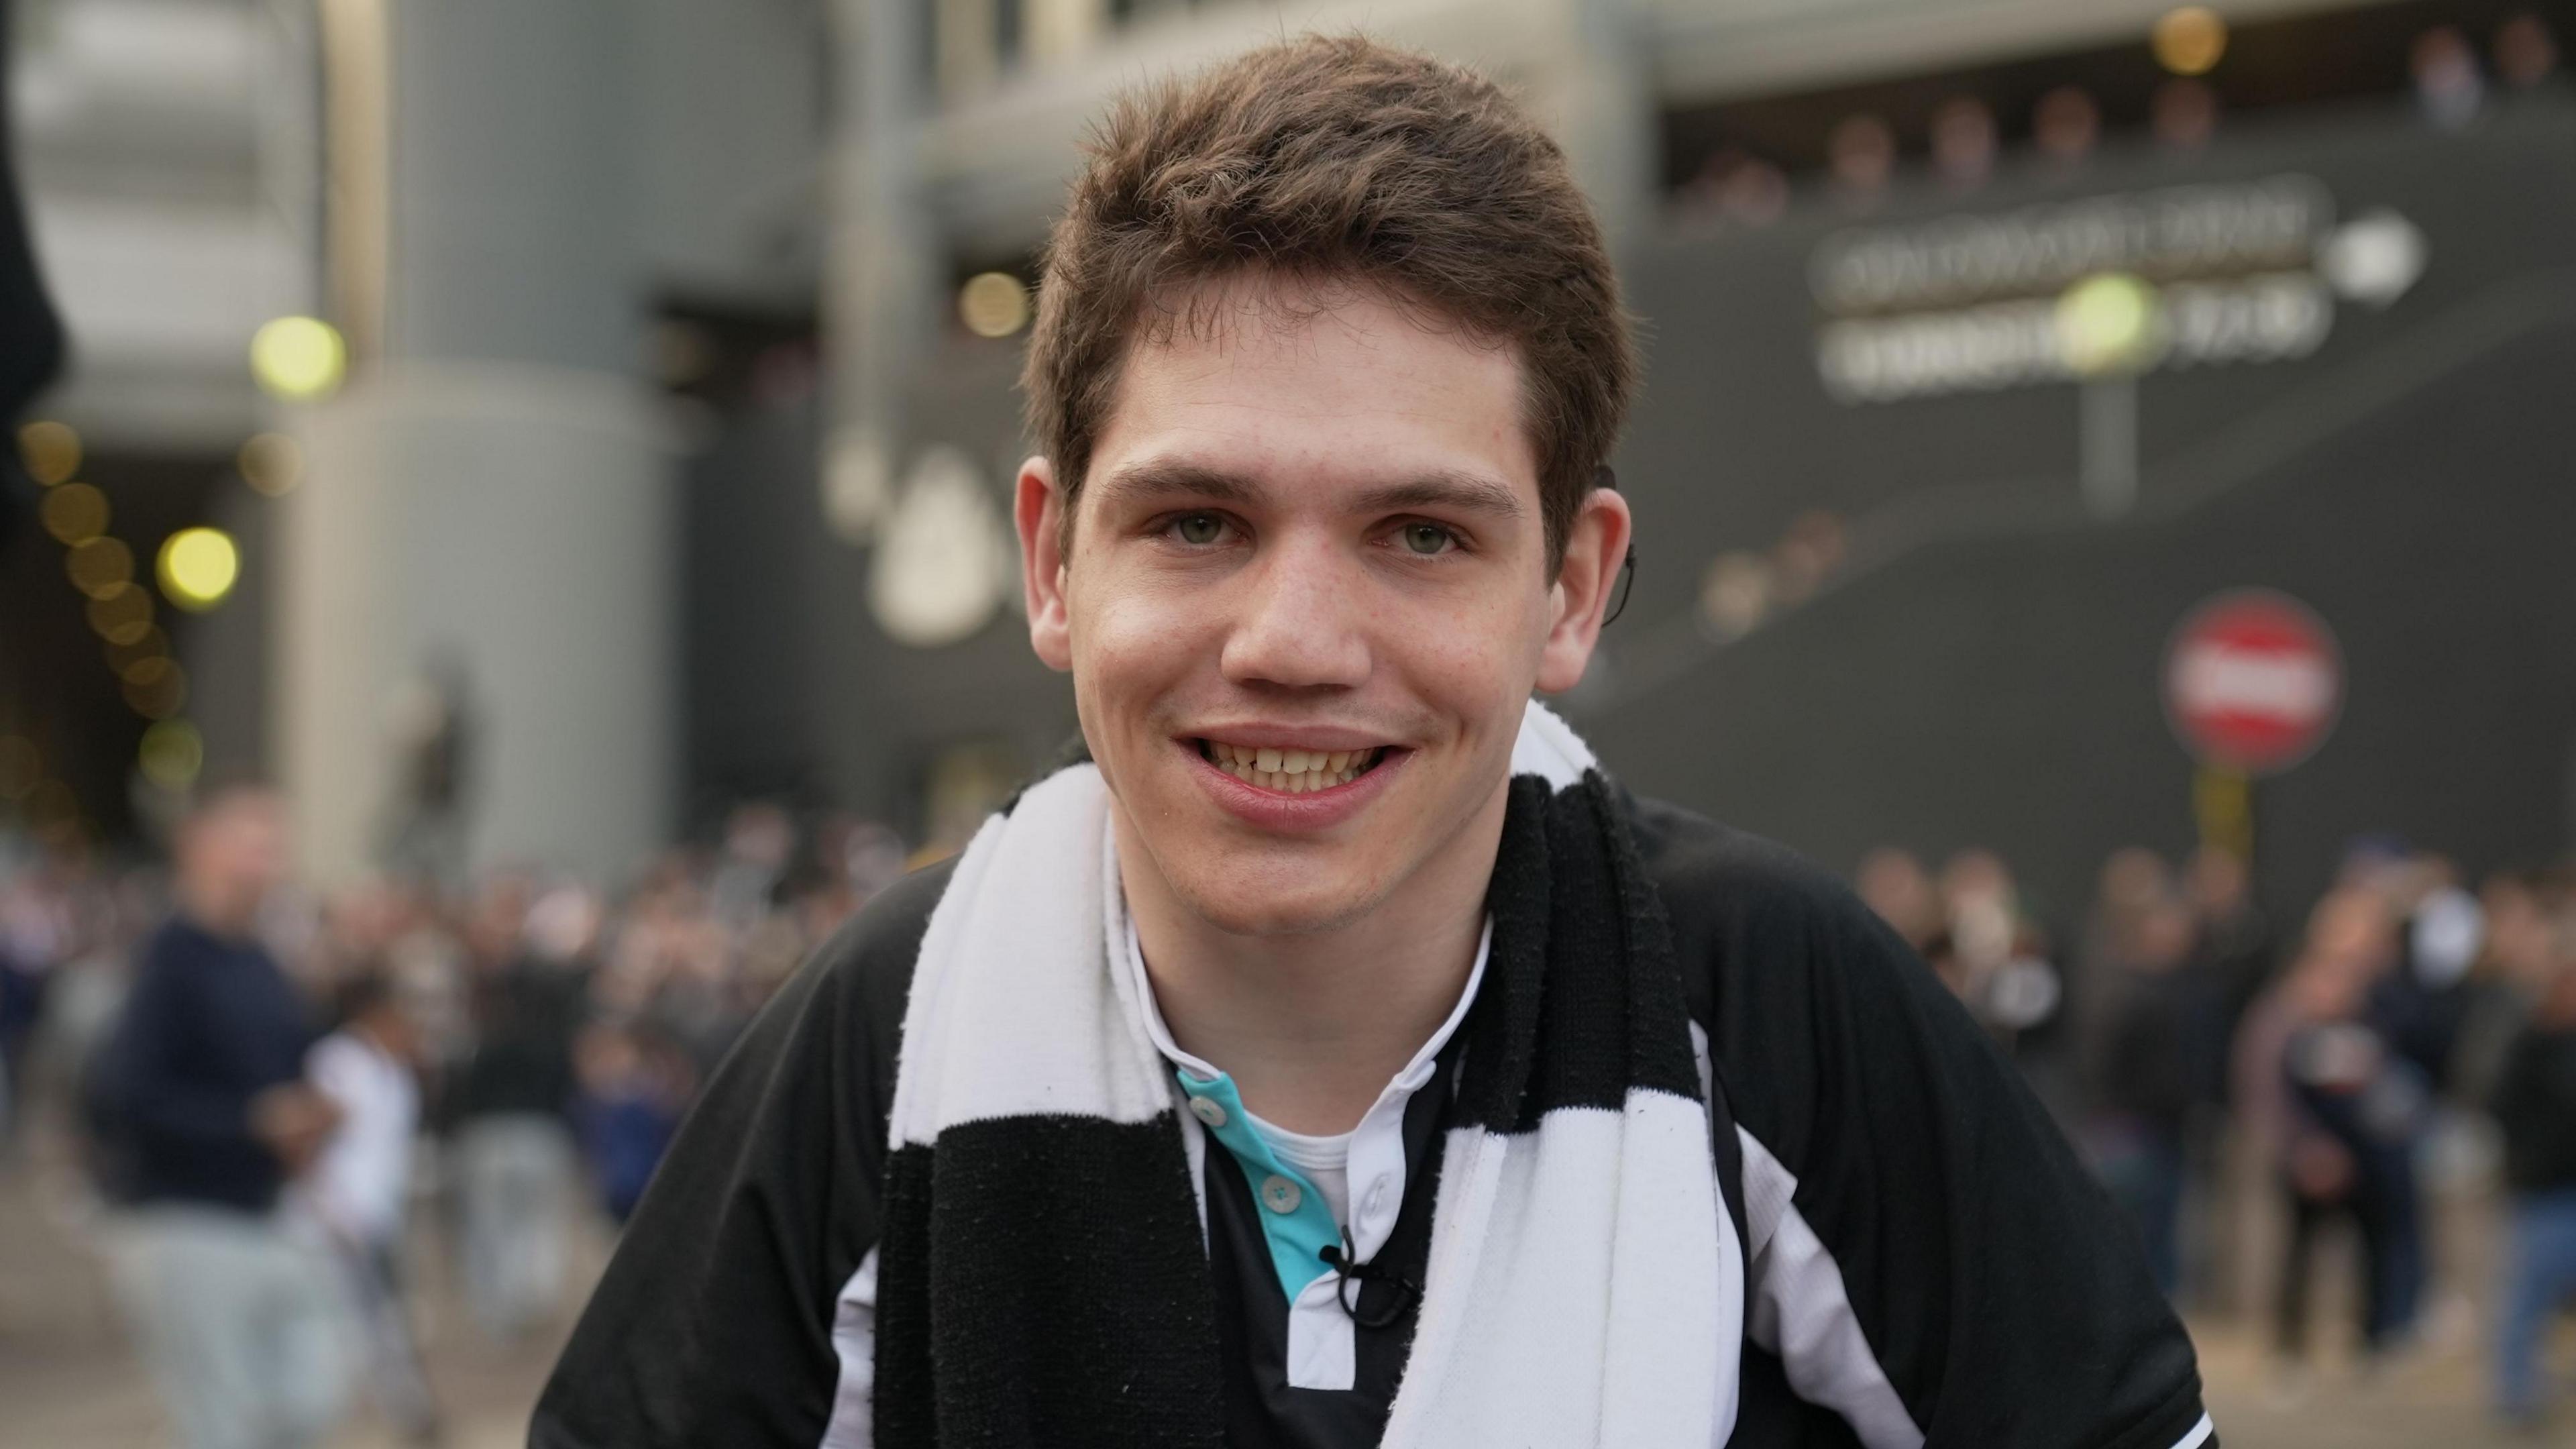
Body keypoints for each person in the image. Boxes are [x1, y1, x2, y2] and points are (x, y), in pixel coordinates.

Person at [532, 36, 2212, 1449]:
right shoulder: (886, 1027)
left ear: (1571, 588)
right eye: (1196, 520)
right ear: (1050, 562)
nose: (1292, 643)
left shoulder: (1765, 999)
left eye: (1420, 534)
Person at [92, 786, 352, 1449]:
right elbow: (125, 1097)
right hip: (183, 1219)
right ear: (200, 847)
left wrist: (316, 1115)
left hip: (266, 1213)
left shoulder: (263, 961)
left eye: (275, 845)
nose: (269, 861)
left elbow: (292, 1073)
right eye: (252, 842)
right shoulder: (170, 959)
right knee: (224, 1425)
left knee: (309, 1395)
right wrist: (250, 1123)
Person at [301, 972, 439, 1444]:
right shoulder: (336, 1062)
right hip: (343, 1209)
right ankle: (391, 1406)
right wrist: (328, 1204)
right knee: (364, 1315)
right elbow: (316, 1138)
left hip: (383, 1209)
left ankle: (406, 1404)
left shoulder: (395, 1069)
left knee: (388, 1312)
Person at [2489, 898, 2576, 1428]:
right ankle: (2517, 1390)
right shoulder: (2528, 1043)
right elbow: (2502, 1107)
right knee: (2528, 1294)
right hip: (2545, 1187)